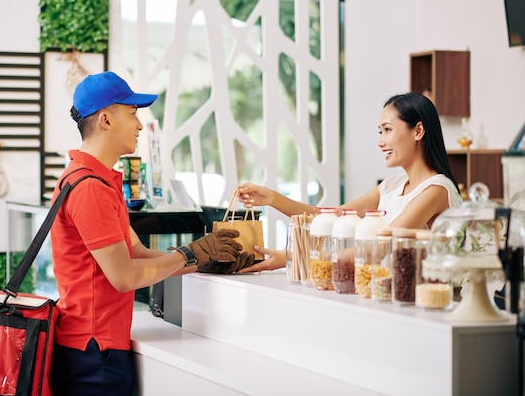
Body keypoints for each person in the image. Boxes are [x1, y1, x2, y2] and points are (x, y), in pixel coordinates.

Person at [49, 71, 254, 395]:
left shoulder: (98, 180)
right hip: (94, 351)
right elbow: (124, 276)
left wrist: (207, 260)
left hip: (94, 347)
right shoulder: (90, 188)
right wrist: (192, 252)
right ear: (105, 119)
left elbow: (140, 254)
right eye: (132, 114)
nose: (140, 125)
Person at [236, 92, 462, 273]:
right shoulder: (391, 186)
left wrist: (294, 258)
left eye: (387, 130)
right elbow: (331, 217)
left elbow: (382, 248)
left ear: (418, 131)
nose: (380, 142)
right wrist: (272, 199)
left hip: (437, 308)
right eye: (380, 132)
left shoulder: (436, 190)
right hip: (395, 298)